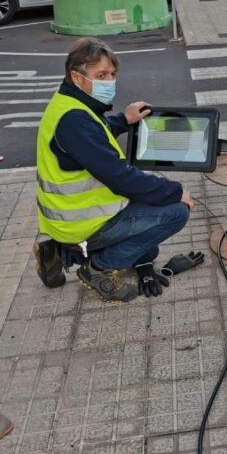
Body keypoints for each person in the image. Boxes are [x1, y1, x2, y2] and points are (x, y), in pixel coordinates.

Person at [34, 37, 202, 303]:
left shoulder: (68, 104)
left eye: (112, 74)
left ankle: (60, 251)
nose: (109, 81)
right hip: (83, 222)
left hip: (64, 219)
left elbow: (91, 139)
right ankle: (98, 269)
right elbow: (121, 179)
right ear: (77, 78)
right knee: (175, 213)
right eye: (100, 75)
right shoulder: (75, 120)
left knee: (148, 203)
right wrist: (176, 191)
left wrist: (124, 120)